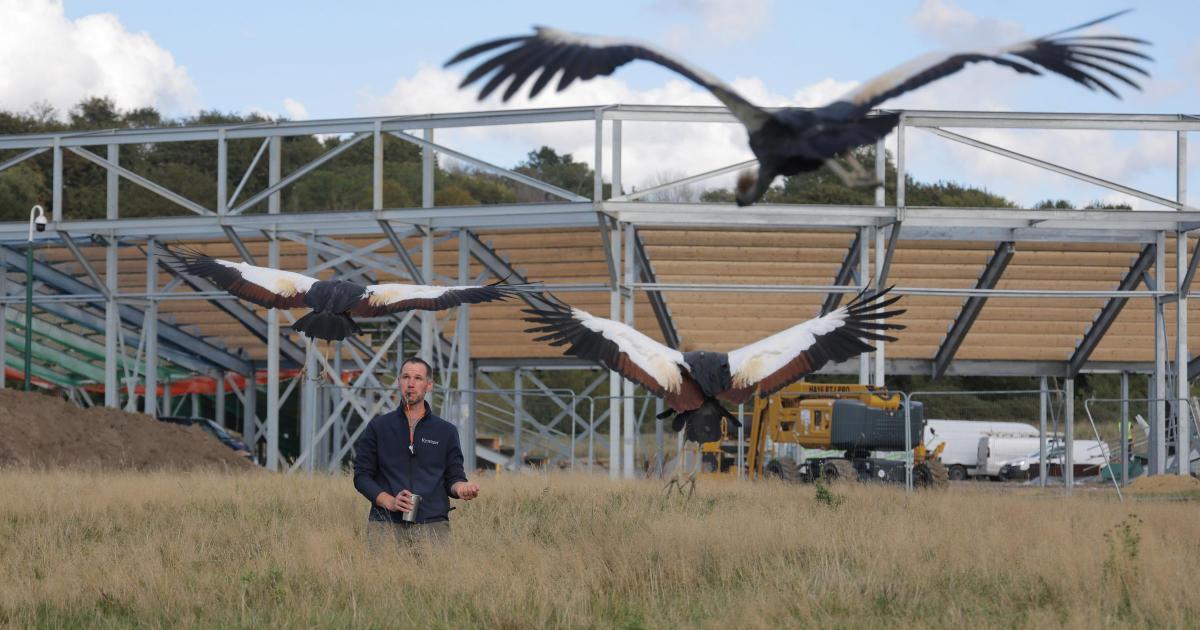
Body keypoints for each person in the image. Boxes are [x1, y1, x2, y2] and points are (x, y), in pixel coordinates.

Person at [353, 357, 480, 545]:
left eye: (418, 378)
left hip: (434, 526)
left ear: (429, 385)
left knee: (438, 567)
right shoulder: (378, 427)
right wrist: (389, 501)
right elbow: (362, 476)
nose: (411, 384)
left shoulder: (446, 431)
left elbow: (454, 477)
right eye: (406, 377)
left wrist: (461, 487)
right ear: (398, 382)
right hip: (384, 525)